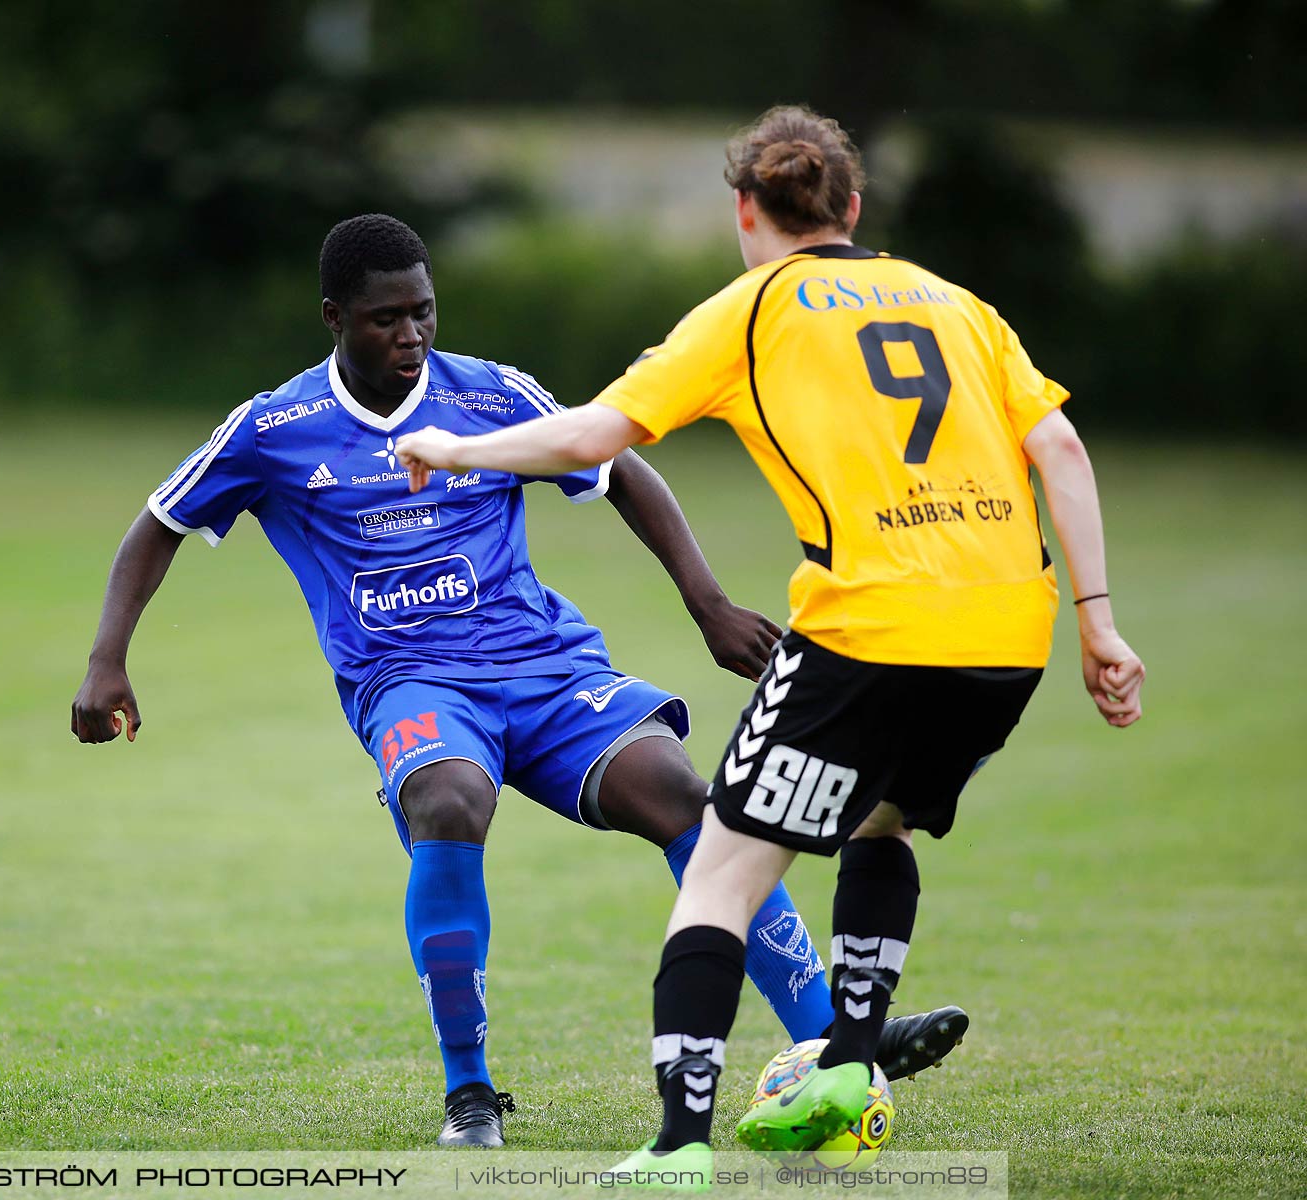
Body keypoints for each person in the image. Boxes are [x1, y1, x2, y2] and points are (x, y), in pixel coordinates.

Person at [72, 213, 968, 1149]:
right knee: (451, 803)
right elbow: (158, 521)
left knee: (688, 798)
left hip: (542, 665)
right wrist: (107, 660)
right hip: (409, 680)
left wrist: (705, 603)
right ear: (334, 317)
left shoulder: (492, 394)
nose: (412, 336)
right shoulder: (276, 428)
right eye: (386, 319)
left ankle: (832, 1040)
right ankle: (470, 1096)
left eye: (423, 313)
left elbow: (619, 471)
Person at [394, 107, 1145, 1176]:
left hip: (869, 624)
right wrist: (1100, 621)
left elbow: (589, 437)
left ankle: (677, 1145)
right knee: (881, 822)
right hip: (1005, 631)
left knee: (720, 871)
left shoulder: (752, 310)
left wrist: (454, 447)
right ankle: (844, 1058)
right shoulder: (960, 306)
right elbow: (1059, 446)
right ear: (853, 205)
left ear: (746, 210)